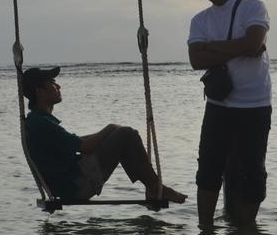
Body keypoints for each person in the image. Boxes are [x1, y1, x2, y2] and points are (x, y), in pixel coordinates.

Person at [22, 65, 186, 205]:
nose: (58, 86)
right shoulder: (42, 124)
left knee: (121, 135)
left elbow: (76, 142)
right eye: (52, 82)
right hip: (76, 185)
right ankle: (156, 187)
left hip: (71, 180)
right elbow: (85, 147)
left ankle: (153, 187)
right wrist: (110, 128)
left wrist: (109, 134)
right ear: (40, 91)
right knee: (127, 134)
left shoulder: (37, 120)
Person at [188, 0, 272, 227]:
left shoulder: (253, 7)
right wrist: (243, 46)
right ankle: (205, 229)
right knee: (209, 167)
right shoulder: (200, 20)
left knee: (253, 170)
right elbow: (196, 60)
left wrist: (213, 47)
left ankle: (246, 230)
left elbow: (255, 42)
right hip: (219, 103)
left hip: (255, 104)